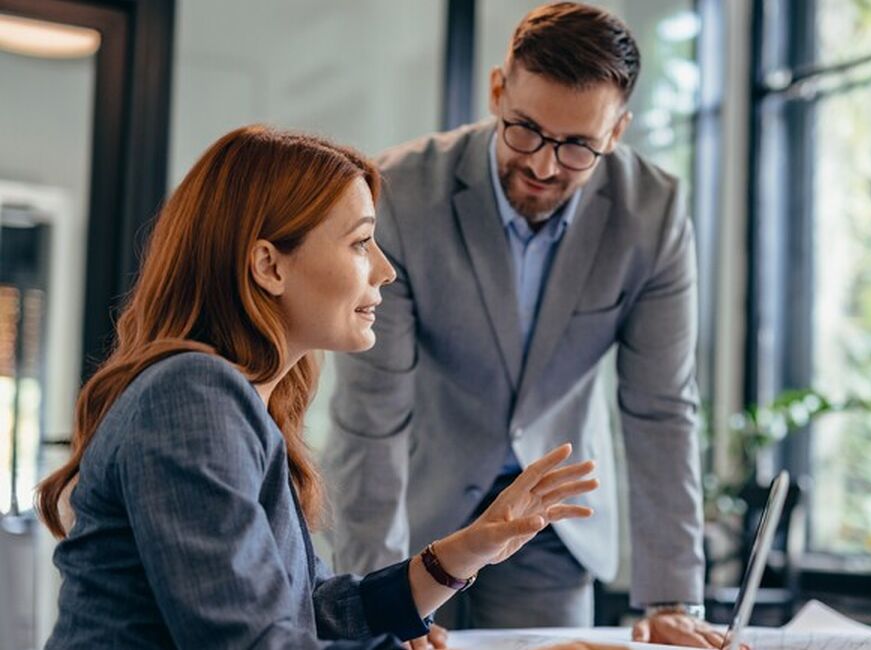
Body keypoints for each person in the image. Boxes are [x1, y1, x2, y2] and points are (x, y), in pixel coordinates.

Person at [35, 126, 603, 649]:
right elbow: (253, 642)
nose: (385, 270)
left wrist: (464, 552)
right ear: (269, 266)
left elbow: (312, 611)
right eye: (360, 243)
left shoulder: (233, 402)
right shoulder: (191, 395)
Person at [324, 2, 717, 646]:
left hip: (552, 525)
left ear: (617, 131)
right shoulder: (401, 193)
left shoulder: (653, 213)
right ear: (497, 91)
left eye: (577, 147)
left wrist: (673, 599)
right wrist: (379, 596)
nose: (542, 167)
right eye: (525, 130)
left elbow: (661, 409)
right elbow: (372, 415)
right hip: (418, 511)